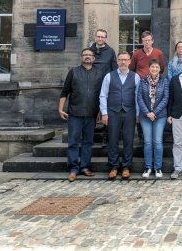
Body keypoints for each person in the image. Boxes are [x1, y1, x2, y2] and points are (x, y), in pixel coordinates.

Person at [58, 48, 103, 182]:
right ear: (81, 57)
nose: (87, 57)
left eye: (90, 55)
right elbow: (64, 92)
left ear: (94, 58)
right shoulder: (73, 72)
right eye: (85, 55)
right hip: (75, 113)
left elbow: (102, 94)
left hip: (91, 113)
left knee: (88, 142)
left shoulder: (99, 73)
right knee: (73, 141)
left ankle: (84, 167)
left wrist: (101, 110)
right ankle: (73, 169)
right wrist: (60, 109)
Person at [99, 51, 141, 180]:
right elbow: (103, 95)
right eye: (121, 59)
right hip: (113, 112)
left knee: (129, 140)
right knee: (113, 139)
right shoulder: (109, 76)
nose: (123, 62)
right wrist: (104, 113)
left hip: (130, 112)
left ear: (129, 61)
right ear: (117, 61)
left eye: (126, 59)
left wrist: (138, 113)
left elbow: (137, 96)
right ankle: (113, 167)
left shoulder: (135, 77)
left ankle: (126, 167)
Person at [137, 59, 169, 179]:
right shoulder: (143, 81)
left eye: (157, 67)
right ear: (149, 68)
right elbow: (139, 97)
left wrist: (154, 112)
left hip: (159, 116)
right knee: (148, 142)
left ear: (160, 69)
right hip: (145, 116)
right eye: (152, 67)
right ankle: (148, 166)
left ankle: (158, 167)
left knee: (157, 141)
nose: (154, 69)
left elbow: (166, 98)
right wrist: (147, 112)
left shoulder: (164, 81)